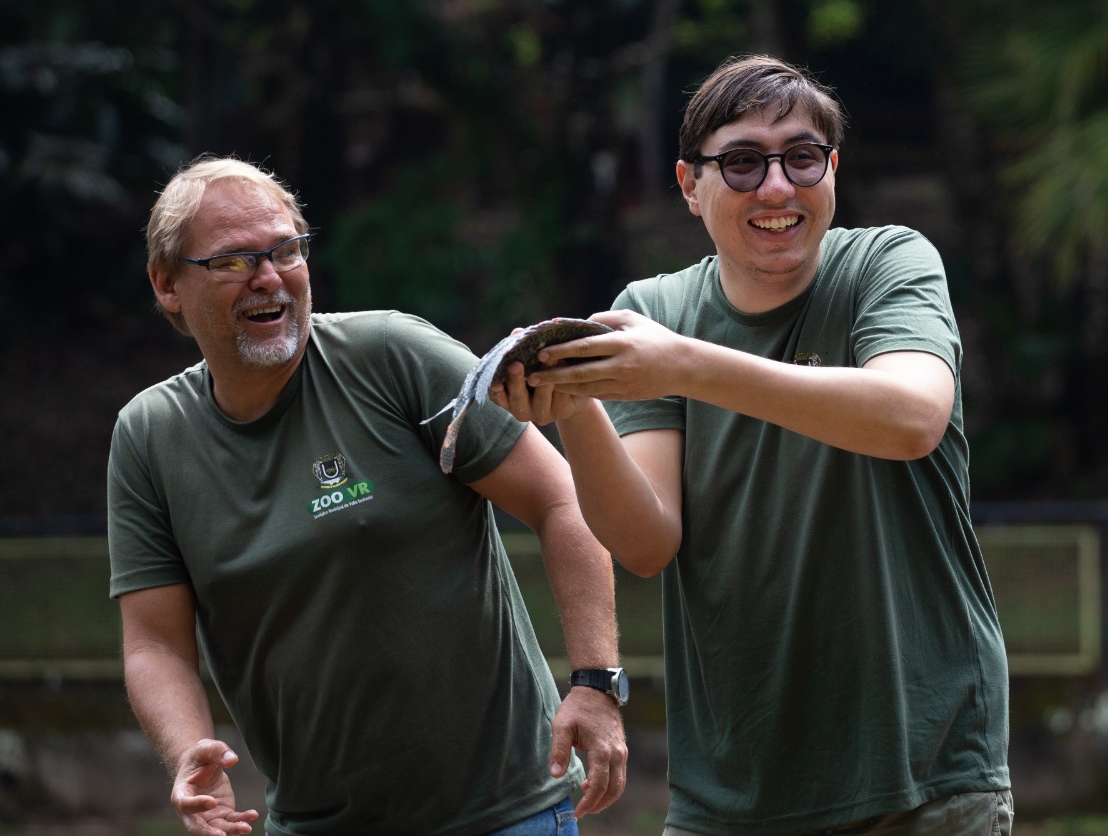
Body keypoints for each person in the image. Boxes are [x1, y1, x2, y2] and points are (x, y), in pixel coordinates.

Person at [490, 55, 1013, 835]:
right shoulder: (657, 310)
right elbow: (645, 542)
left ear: (833, 169)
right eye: (741, 162)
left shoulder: (887, 262)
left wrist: (683, 365)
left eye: (802, 157)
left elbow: (911, 417)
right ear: (688, 184)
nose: (776, 188)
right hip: (731, 788)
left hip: (923, 771)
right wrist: (576, 406)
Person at [108, 156, 628, 836]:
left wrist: (595, 682)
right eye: (233, 261)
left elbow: (561, 502)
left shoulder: (392, 356)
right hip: (315, 822)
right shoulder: (149, 437)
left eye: (286, 250)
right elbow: (155, 644)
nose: (269, 277)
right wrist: (187, 752)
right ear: (167, 284)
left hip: (503, 812)